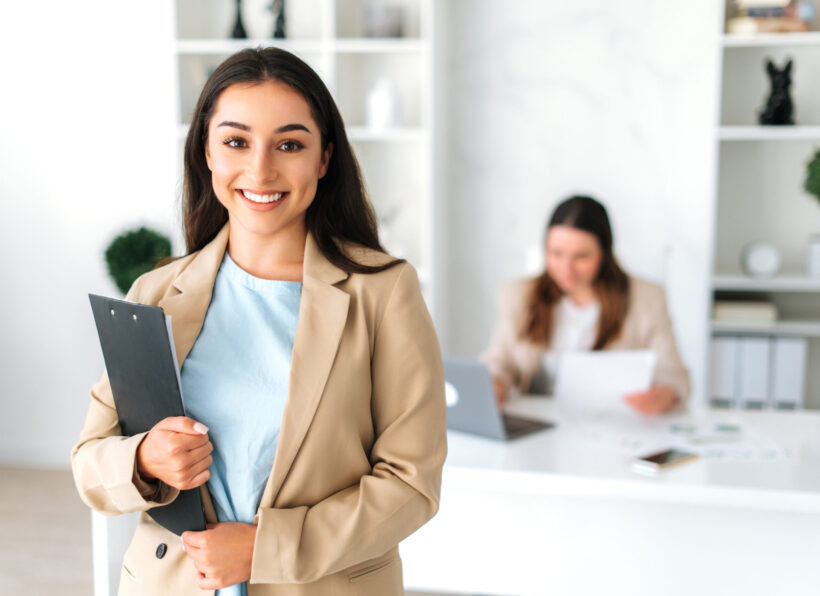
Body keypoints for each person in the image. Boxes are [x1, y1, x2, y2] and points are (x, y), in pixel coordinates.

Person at [71, 47, 446, 596]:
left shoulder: (383, 293)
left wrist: (266, 548)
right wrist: (144, 459)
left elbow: (412, 484)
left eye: (289, 144)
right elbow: (88, 461)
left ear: (324, 158)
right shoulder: (156, 293)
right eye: (236, 142)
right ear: (206, 152)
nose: (261, 169)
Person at [481, 195, 689, 414]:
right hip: (538, 420)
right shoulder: (520, 295)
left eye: (581, 256)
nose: (566, 269)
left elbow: (674, 375)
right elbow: (499, 362)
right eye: (556, 253)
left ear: (604, 254)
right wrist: (495, 384)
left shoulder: (646, 299)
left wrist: (663, 394)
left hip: (610, 422)